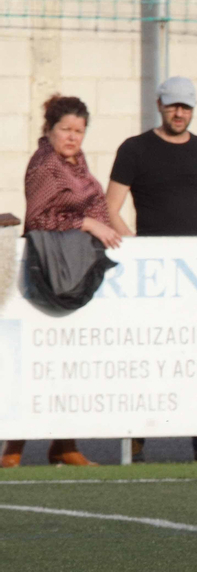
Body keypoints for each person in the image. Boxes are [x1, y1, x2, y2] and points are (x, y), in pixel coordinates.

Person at [105, 76, 197, 465]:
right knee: (147, 358)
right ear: (160, 104)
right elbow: (110, 208)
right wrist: (137, 250)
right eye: (173, 105)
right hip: (152, 277)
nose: (179, 113)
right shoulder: (134, 149)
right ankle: (135, 440)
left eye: (186, 107)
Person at [2, 94, 121, 469]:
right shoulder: (44, 165)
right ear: (49, 129)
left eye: (79, 131)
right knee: (37, 360)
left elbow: (95, 206)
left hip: (79, 265)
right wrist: (88, 224)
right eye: (65, 129)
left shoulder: (78, 163)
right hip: (49, 271)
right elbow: (39, 220)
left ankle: (64, 445)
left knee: (69, 361)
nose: (72, 137)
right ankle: (14, 449)